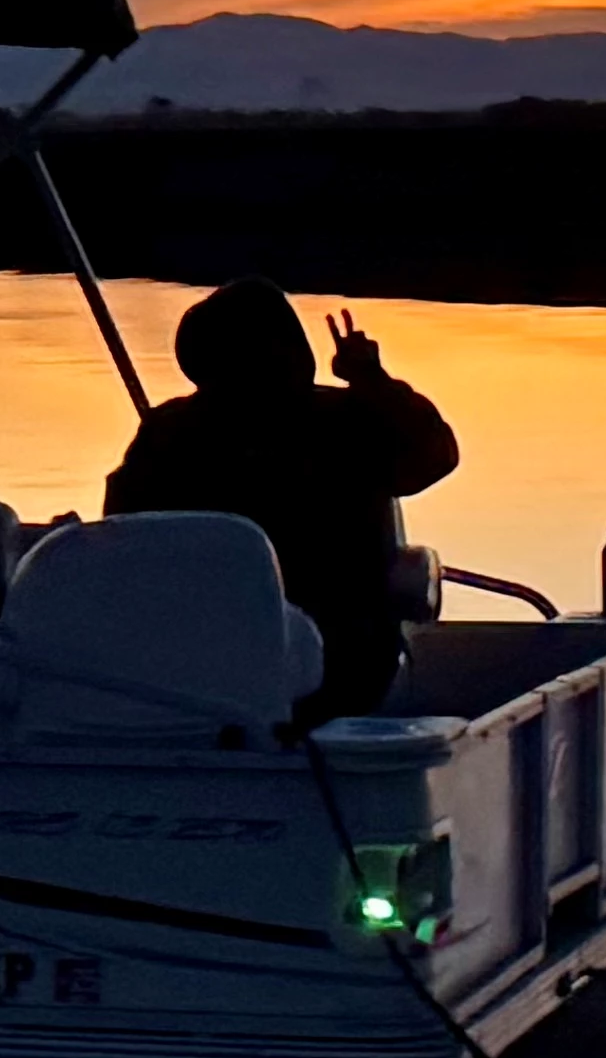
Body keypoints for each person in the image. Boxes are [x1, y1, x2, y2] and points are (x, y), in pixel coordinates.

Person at [105, 279, 461, 726]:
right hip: (344, 670)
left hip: (191, 675)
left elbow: (120, 532)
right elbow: (436, 456)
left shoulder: (167, 432)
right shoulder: (348, 422)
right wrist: (372, 378)